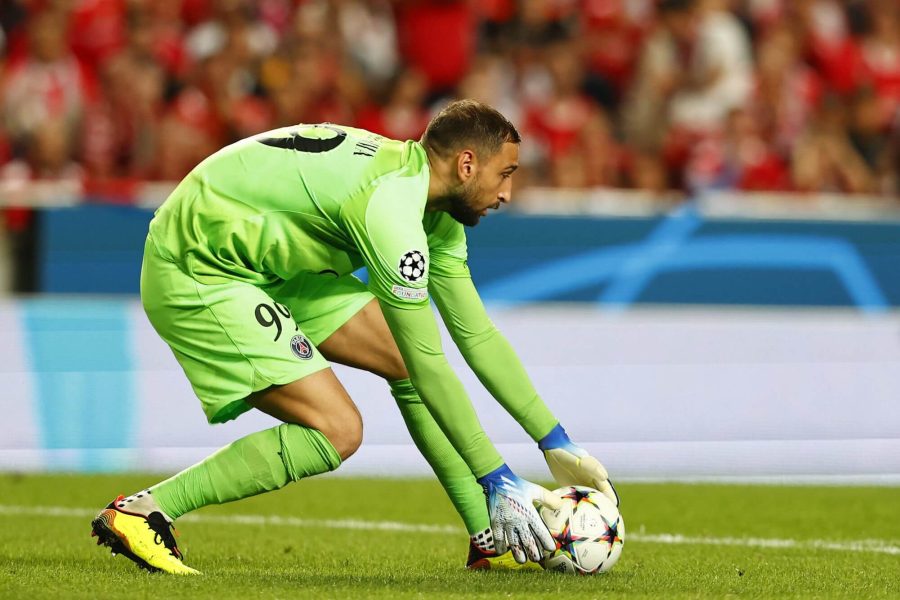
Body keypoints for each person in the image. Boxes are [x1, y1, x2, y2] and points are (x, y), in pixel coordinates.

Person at [90, 99, 617, 575]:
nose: (506, 193)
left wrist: (554, 440)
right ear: (465, 165)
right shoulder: (391, 209)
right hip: (198, 264)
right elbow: (432, 356)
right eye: (505, 174)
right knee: (338, 428)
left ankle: (488, 538)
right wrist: (496, 475)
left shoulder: (435, 211)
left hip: (269, 261)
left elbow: (476, 334)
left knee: (400, 361)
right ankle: (143, 511)